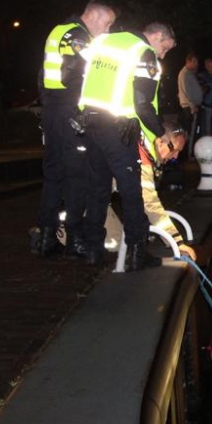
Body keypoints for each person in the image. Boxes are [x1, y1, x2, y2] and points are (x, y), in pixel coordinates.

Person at [77, 22, 177, 271]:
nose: (163, 55)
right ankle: (136, 252)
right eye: (164, 47)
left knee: (97, 189)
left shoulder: (102, 42)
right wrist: (161, 132)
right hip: (118, 129)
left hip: (90, 125)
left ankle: (93, 250)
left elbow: (81, 74)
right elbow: (142, 103)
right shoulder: (143, 53)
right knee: (131, 191)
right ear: (156, 35)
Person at [35, 0, 117, 258]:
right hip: (70, 112)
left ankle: (47, 236)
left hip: (52, 110)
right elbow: (83, 74)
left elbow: (44, 75)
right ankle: (74, 239)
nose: (108, 30)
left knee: (53, 175)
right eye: (107, 23)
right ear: (93, 15)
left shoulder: (58, 31)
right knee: (76, 177)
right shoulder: (76, 35)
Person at [138, 129, 196, 260]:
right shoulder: (140, 160)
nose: (175, 157)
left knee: (118, 245)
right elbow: (150, 203)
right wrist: (177, 242)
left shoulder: (140, 148)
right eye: (174, 150)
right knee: (118, 247)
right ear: (160, 142)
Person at [176, 51, 202, 138]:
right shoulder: (185, 73)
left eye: (197, 62)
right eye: (194, 61)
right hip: (189, 107)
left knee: (193, 131)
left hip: (191, 106)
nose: (197, 64)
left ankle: (191, 149)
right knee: (191, 132)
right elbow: (185, 90)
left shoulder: (190, 73)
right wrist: (192, 106)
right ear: (188, 61)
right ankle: (189, 151)